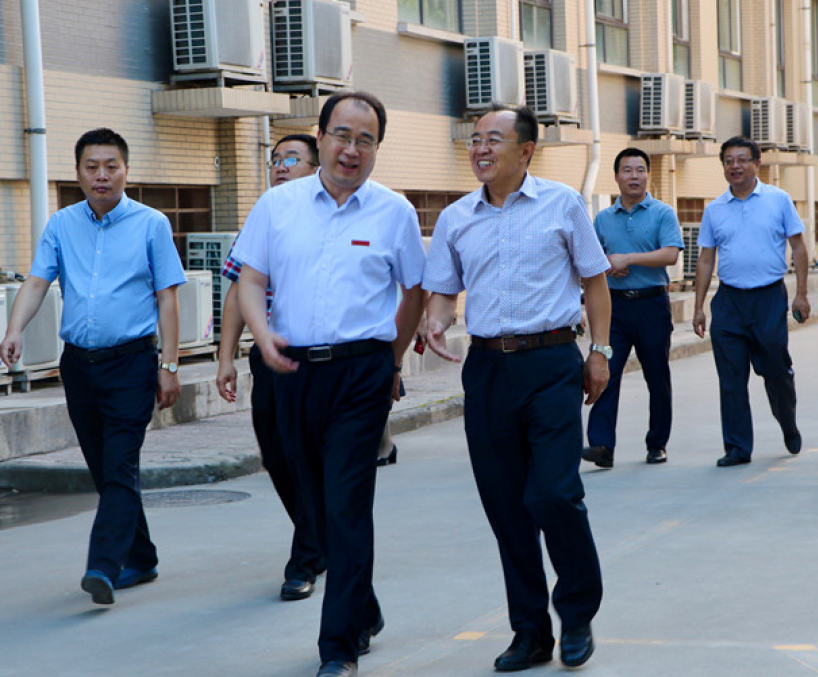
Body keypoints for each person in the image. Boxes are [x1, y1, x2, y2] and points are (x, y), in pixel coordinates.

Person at [232, 91, 425, 677]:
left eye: (366, 140)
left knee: (346, 505)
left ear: (377, 148)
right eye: (342, 135)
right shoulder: (277, 204)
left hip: (360, 372)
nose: (352, 149)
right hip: (291, 371)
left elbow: (414, 290)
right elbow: (250, 278)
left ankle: (337, 649)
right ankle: (362, 606)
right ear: (320, 138)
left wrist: (391, 360)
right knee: (314, 508)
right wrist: (262, 335)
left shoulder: (394, 211)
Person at [423, 104, 611, 672]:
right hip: (487, 370)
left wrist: (599, 352)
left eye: (494, 139)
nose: (480, 149)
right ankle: (530, 632)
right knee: (506, 507)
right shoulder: (456, 217)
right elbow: (443, 291)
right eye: (475, 139)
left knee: (553, 493)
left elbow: (595, 281)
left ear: (526, 150)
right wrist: (436, 320)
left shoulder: (563, 203)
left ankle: (576, 613)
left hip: (551, 361)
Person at [0, 128, 185, 604]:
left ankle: (104, 564)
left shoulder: (151, 224)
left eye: (111, 166)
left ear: (126, 170)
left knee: (120, 463)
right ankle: (142, 557)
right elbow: (37, 282)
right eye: (91, 167)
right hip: (79, 366)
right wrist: (14, 329)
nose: (101, 175)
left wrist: (169, 364)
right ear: (79, 173)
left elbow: (167, 297)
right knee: (105, 467)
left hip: (132, 363)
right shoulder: (61, 224)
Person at [215, 134, 325, 602]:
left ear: (317, 166)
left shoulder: (332, 216)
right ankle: (319, 535)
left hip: (322, 357)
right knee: (277, 455)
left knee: (309, 457)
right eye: (275, 159)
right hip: (269, 355)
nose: (280, 166)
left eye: (292, 159)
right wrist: (226, 357)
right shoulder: (264, 215)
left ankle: (306, 557)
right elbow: (239, 290)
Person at [692, 136, 811, 467]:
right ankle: (737, 447)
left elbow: (799, 247)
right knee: (730, 378)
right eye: (729, 161)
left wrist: (801, 293)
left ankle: (787, 422)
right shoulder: (715, 209)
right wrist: (699, 306)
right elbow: (706, 259)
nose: (736, 166)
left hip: (769, 297)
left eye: (742, 159)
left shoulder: (778, 200)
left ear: (757, 164)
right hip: (729, 301)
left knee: (775, 369)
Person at [582, 147, 683, 469]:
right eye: (627, 170)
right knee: (605, 372)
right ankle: (601, 445)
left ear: (648, 175)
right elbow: (591, 259)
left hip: (652, 304)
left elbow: (670, 254)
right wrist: (608, 265)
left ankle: (657, 444)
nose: (634, 176)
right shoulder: (603, 219)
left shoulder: (662, 213)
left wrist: (628, 259)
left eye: (640, 170)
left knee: (657, 375)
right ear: (616, 176)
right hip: (613, 310)